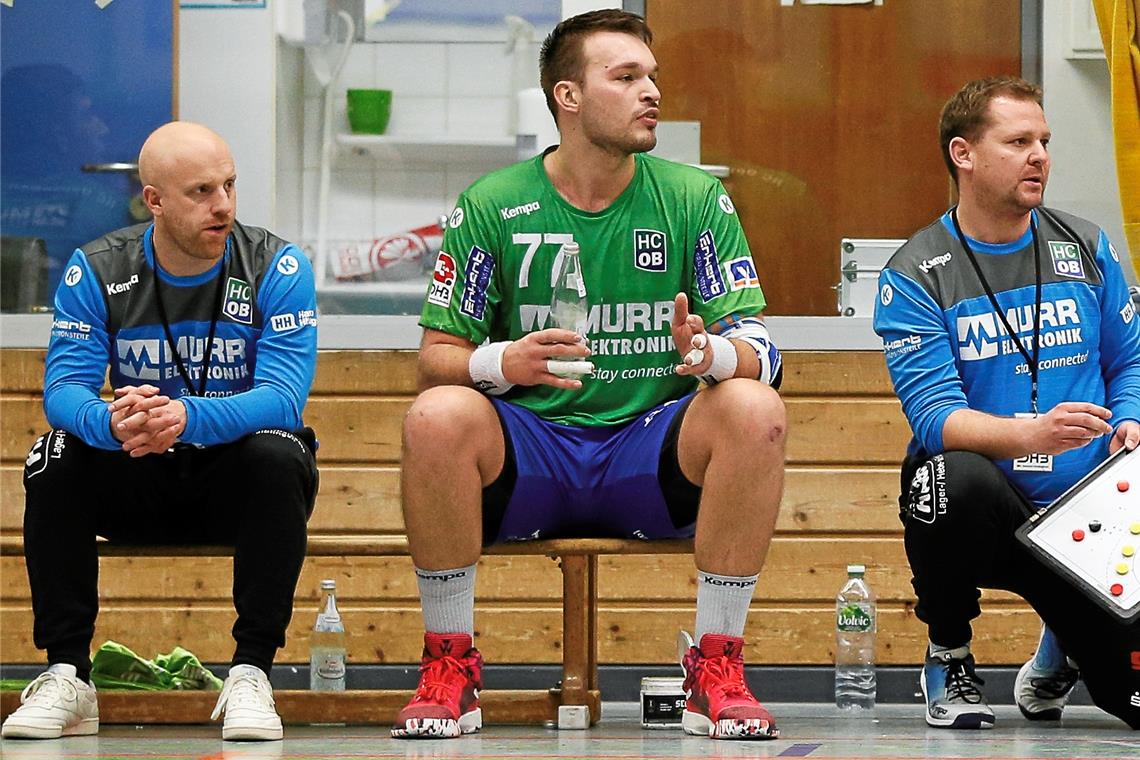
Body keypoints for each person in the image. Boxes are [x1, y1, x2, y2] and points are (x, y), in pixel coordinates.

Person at [392, 9, 786, 741]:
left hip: (647, 457)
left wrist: (715, 357)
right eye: (626, 76)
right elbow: (434, 358)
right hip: (532, 452)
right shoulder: (492, 204)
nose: (651, 93)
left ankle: (716, 667)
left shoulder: (693, 198)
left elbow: (765, 347)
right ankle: (450, 665)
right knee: (436, 415)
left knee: (752, 405)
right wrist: (500, 362)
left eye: (652, 76)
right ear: (568, 97)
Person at [1, 122, 320, 742]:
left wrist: (187, 417)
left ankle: (252, 672)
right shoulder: (96, 270)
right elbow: (63, 392)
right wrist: (108, 419)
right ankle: (68, 673)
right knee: (54, 454)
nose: (223, 205)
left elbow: (284, 398)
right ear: (154, 201)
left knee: (280, 452)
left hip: (234, 487)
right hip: (137, 472)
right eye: (201, 191)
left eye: (229, 185)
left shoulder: (276, 266)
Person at [874, 76, 1140, 730]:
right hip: (994, 515)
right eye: (1019, 141)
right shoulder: (915, 274)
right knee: (945, 479)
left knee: (1129, 701)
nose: (1040, 155)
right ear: (963, 154)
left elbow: (1128, 359)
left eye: (1044, 141)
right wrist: (1031, 435)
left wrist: (1129, 419)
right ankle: (950, 654)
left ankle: (1063, 652)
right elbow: (937, 422)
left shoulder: (1086, 247)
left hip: (1096, 517)